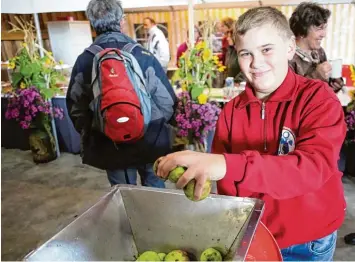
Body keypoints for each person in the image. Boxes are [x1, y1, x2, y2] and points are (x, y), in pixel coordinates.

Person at [156, 6, 346, 261]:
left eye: (266, 49)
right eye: (246, 53)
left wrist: (224, 164)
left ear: (290, 47)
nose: (256, 63)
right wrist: (204, 184)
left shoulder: (317, 99)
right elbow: (227, 184)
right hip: (256, 235)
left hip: (309, 240)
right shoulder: (232, 111)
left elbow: (313, 168)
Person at [66, 0, 177, 188]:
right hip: (150, 142)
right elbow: (168, 102)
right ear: (122, 21)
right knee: (156, 194)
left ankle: (129, 218)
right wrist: (149, 125)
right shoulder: (142, 55)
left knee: (124, 195)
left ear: (92, 24)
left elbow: (75, 106)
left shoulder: (85, 60)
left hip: (110, 144)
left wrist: (98, 128)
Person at [289, 2, 344, 92]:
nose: (324, 34)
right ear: (302, 30)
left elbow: (323, 89)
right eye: (319, 28)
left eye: (324, 28)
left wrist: (333, 84)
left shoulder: (319, 52)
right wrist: (315, 76)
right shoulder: (287, 57)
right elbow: (288, 96)